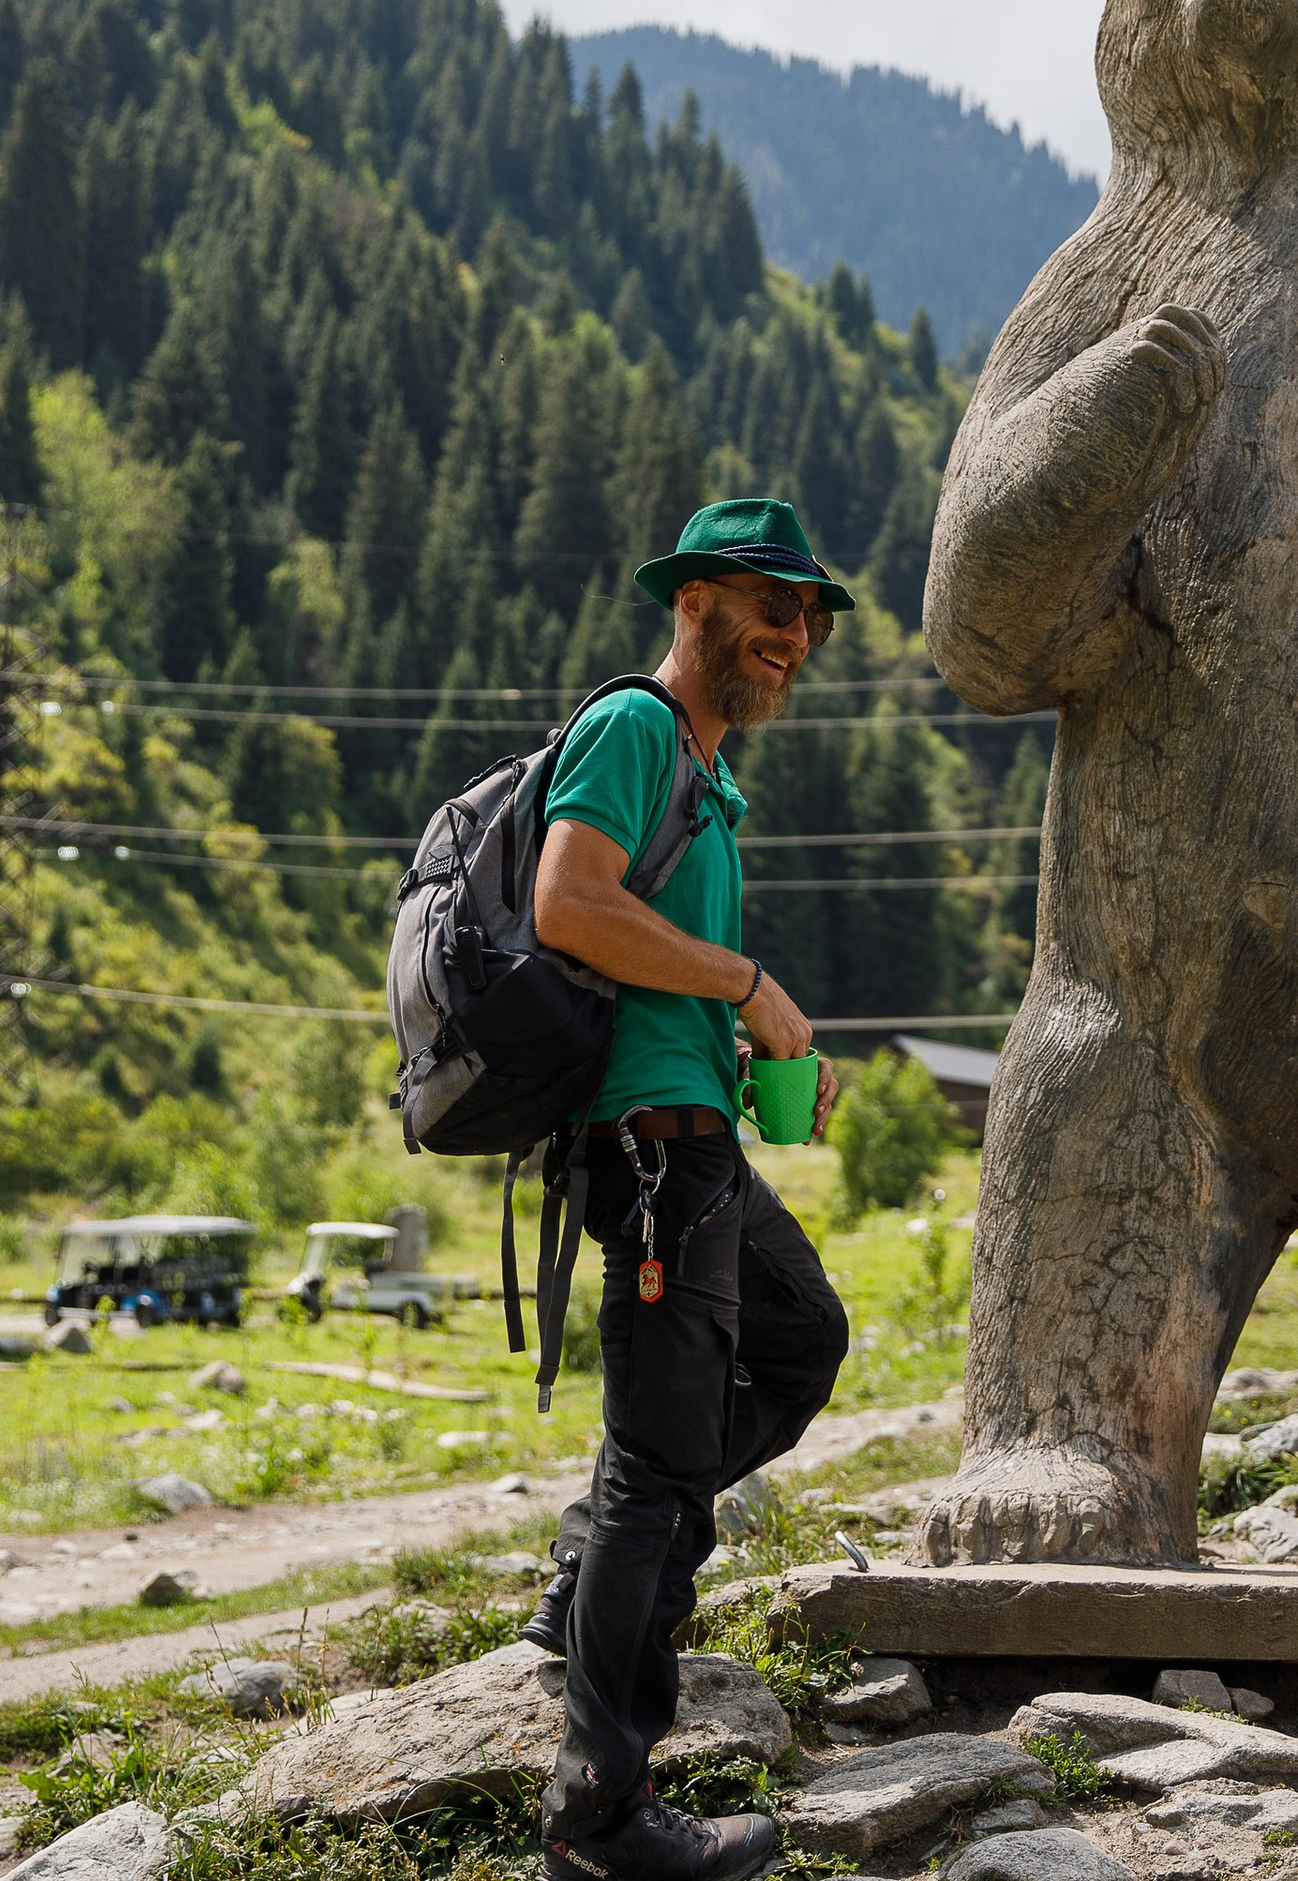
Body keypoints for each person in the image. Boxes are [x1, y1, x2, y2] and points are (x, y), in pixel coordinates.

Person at [526, 499, 852, 1881]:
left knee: (802, 1337)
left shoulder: (712, 783)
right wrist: (747, 983)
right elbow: (566, 902)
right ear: (695, 605)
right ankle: (599, 1815)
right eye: (772, 604)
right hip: (651, 1155)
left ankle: (598, 1564)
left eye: (811, 615)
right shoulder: (637, 731)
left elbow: (643, 964)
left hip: (697, 1127)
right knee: (661, 1464)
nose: (795, 633)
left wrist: (746, 1040)